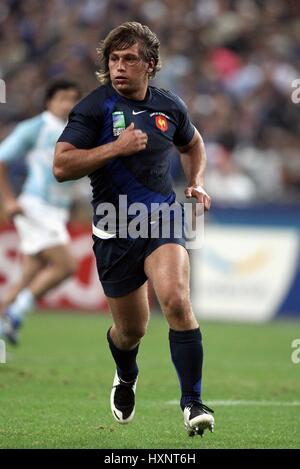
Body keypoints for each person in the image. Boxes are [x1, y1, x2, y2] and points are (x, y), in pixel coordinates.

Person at [54, 22, 214, 437]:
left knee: (177, 302)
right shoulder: (93, 108)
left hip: (162, 219)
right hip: (114, 228)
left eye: (129, 59)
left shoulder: (169, 106)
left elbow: (193, 143)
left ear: (151, 64)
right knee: (131, 331)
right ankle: (126, 375)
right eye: (114, 59)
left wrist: (196, 180)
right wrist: (115, 147)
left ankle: (192, 402)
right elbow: (61, 166)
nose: (119, 67)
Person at [0, 80, 81, 344]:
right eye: (62, 98)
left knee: (27, 276)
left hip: (57, 211)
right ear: (49, 102)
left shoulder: (77, 132)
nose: (68, 104)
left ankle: (4, 325)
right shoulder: (36, 127)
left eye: (72, 99)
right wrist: (9, 200)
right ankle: (16, 314)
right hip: (35, 207)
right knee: (67, 265)